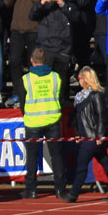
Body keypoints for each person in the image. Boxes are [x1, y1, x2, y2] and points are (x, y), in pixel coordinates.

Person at [61, 67, 108, 202]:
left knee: (81, 165)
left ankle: (73, 194)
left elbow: (102, 116)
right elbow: (78, 118)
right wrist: (78, 134)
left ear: (86, 79)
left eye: (79, 77)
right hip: (85, 136)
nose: (78, 80)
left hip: (93, 137)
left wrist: (100, 136)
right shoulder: (79, 97)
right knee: (106, 163)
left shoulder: (96, 95)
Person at [19, 48, 69, 200]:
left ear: (32, 61)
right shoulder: (55, 77)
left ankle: (31, 189)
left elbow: (22, 101)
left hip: (33, 121)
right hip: (52, 119)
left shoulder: (26, 79)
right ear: (45, 60)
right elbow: (61, 97)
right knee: (57, 156)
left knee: (33, 157)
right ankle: (60, 189)